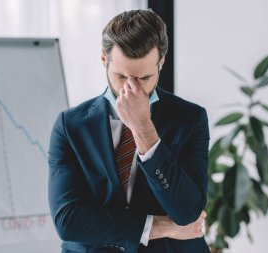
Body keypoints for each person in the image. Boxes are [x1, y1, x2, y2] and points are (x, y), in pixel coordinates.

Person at [48, 9, 211, 253]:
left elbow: (187, 212)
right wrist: (157, 226)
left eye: (144, 78)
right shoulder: (70, 126)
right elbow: (68, 220)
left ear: (161, 63)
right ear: (104, 60)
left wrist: (144, 129)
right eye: (122, 76)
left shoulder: (190, 119)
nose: (132, 89)